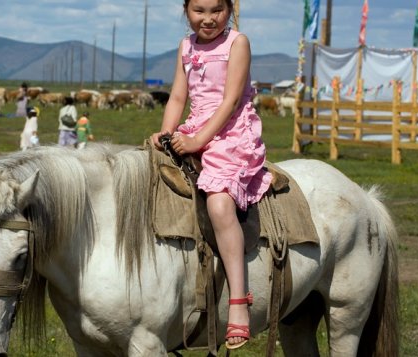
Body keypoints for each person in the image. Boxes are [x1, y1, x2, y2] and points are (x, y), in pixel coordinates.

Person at [149, 0, 272, 350]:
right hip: (193, 128)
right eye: (199, 10)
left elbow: (231, 101)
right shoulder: (185, 46)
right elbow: (177, 96)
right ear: (185, 10)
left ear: (230, 8)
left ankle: (238, 301)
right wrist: (166, 131)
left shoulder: (238, 42)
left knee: (219, 204)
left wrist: (199, 141)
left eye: (216, 10)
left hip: (231, 134)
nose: (208, 18)